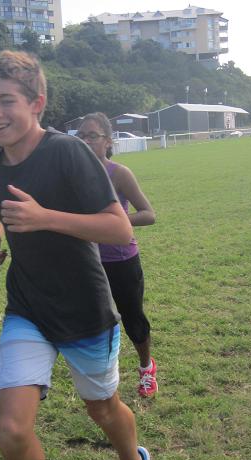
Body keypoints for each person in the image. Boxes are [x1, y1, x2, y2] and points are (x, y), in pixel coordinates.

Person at [0, 51, 151, 460]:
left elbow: (120, 227)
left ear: (37, 102)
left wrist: (44, 218)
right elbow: (2, 203)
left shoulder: (69, 152)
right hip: (27, 306)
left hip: (83, 308)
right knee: (11, 428)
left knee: (103, 410)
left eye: (7, 101)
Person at [77, 112, 158, 397]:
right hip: (87, 262)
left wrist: (116, 222)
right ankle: (103, 378)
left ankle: (146, 368)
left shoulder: (119, 174)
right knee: (95, 322)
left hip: (121, 260)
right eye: (81, 136)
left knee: (133, 320)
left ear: (108, 141)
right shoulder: (71, 175)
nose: (86, 141)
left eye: (92, 136)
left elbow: (149, 214)